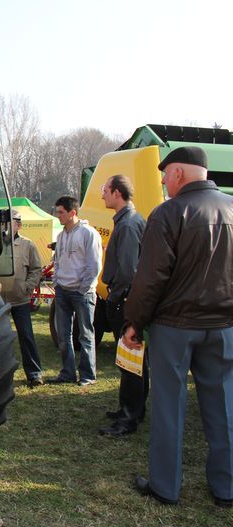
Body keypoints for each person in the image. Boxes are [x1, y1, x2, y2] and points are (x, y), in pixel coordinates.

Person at [122, 147, 233, 507]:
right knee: (224, 408)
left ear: (180, 174)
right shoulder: (232, 208)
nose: (164, 182)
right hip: (224, 326)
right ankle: (226, 489)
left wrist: (134, 323)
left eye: (165, 175)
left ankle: (165, 487)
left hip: (175, 326)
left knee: (170, 407)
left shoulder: (169, 213)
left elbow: (150, 278)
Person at [97, 175, 146, 437]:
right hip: (127, 298)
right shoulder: (128, 221)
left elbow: (128, 270)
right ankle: (133, 410)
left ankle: (129, 418)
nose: (102, 195)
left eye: (105, 190)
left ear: (117, 193)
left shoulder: (127, 225)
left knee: (130, 363)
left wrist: (115, 297)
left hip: (125, 300)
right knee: (133, 361)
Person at [47, 196, 102, 386]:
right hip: (63, 291)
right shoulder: (61, 236)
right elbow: (58, 261)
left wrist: (83, 288)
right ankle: (68, 372)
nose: (58, 215)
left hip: (82, 293)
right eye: (57, 211)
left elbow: (94, 265)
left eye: (61, 212)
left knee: (86, 335)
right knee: (63, 336)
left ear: (73, 213)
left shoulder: (89, 233)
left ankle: (87, 375)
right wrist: (57, 283)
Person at [0, 210, 44, 386]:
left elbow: (36, 269)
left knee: (26, 336)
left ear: (18, 225)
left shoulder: (28, 245)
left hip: (21, 300)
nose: (6, 226)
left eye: (10, 222)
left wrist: (28, 286)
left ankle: (34, 374)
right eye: (3, 223)